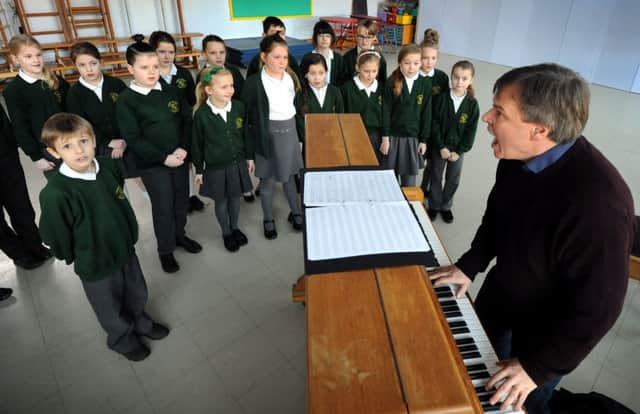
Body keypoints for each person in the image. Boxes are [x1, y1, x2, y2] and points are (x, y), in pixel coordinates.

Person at [431, 63, 635, 414]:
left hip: (544, 337)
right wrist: (470, 265)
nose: (487, 118)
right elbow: (498, 216)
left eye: (500, 112)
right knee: (470, 376)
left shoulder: (600, 204)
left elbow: (597, 309)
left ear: (540, 130)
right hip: (503, 298)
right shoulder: (515, 154)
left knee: (526, 404)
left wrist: (535, 369)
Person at [39, 113, 170, 361]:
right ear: (54, 152)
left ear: (94, 140)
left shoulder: (108, 166)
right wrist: (76, 255)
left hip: (124, 250)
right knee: (108, 305)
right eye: (67, 146)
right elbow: (56, 235)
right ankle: (122, 338)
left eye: (83, 141)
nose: (79, 151)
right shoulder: (55, 194)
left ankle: (140, 321)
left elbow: (118, 197)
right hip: (95, 262)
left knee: (136, 291)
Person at [116, 36, 202, 274]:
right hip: (154, 165)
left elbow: (186, 120)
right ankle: (165, 249)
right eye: (144, 68)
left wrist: (184, 148)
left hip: (179, 158)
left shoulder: (170, 90)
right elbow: (134, 138)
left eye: (155, 66)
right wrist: (164, 158)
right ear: (130, 69)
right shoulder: (127, 101)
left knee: (181, 201)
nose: (152, 72)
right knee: (163, 207)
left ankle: (179, 236)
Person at [242, 34, 304, 239]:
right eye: (276, 57)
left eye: (285, 57)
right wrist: (249, 151)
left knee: (289, 179)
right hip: (266, 135)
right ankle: (268, 218)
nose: (282, 62)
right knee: (267, 181)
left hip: (289, 134)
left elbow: (295, 109)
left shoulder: (290, 78)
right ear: (263, 57)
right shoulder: (253, 83)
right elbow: (248, 119)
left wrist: (300, 137)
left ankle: (296, 213)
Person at [66, 41, 147, 198]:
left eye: (93, 63)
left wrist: (124, 140)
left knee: (142, 178)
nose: (89, 69)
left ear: (100, 62)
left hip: (127, 141)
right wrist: (108, 143)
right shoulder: (74, 94)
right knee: (114, 188)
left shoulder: (115, 84)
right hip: (100, 147)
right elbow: (82, 126)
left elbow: (129, 114)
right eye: (82, 65)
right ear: (75, 66)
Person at [192, 67, 252, 252]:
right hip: (215, 168)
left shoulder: (239, 107)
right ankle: (226, 232)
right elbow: (197, 145)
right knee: (222, 201)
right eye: (224, 87)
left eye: (232, 85)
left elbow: (246, 134)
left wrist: (249, 157)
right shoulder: (201, 115)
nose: (230, 90)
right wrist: (199, 170)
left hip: (237, 163)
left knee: (235, 198)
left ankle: (235, 227)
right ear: (209, 90)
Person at [149, 31, 205, 213]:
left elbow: (191, 100)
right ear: (153, 52)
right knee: (167, 165)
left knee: (186, 162)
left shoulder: (183, 73)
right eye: (161, 51)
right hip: (162, 130)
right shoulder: (150, 76)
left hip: (183, 127)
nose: (167, 56)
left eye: (171, 52)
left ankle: (189, 196)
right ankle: (173, 198)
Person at [197, 34, 255, 202]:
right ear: (204, 54)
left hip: (234, 119)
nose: (218, 56)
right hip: (215, 122)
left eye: (222, 52)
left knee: (238, 156)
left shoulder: (234, 71)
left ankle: (244, 188)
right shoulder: (203, 75)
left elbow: (242, 96)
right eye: (213, 53)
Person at [3, 34, 69, 176]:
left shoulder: (56, 81)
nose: (36, 60)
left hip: (71, 142)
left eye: (38, 55)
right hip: (48, 150)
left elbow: (72, 110)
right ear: (15, 59)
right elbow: (20, 127)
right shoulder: (13, 91)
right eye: (28, 56)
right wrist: (36, 157)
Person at [0, 105, 51, 270]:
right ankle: (18, 253)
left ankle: (35, 246)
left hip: (5, 158)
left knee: (21, 206)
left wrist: (12, 147)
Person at [428, 60, 479, 223]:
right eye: (456, 77)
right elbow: (434, 123)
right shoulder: (441, 99)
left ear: (471, 80)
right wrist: (441, 146)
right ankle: (434, 205)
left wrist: (460, 151)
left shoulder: (472, 104)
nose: (459, 82)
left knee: (453, 179)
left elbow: (471, 130)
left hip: (458, 150)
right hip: (439, 147)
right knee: (435, 176)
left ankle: (446, 206)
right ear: (451, 77)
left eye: (464, 78)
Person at [381, 43, 432, 186]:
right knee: (390, 180)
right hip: (393, 138)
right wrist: (385, 138)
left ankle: (408, 207)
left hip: (413, 140)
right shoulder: (391, 82)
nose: (411, 67)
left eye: (416, 63)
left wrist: (423, 140)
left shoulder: (425, 84)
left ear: (420, 63)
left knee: (409, 183)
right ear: (400, 62)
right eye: (407, 63)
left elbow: (426, 113)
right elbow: (386, 110)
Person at [419, 28, 450, 196]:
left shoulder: (442, 78)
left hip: (435, 130)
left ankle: (425, 189)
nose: (429, 62)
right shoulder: (414, 75)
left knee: (432, 165)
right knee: (414, 163)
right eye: (425, 58)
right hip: (417, 129)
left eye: (433, 58)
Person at [341, 50, 384, 163]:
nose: (370, 75)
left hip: (375, 136)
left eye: (374, 71)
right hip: (353, 135)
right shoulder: (347, 88)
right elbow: (342, 113)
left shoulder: (382, 89)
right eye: (366, 71)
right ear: (357, 67)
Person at [245, 16, 302, 80]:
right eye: (273, 33)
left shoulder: (291, 60)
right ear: (264, 35)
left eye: (282, 34)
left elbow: (300, 85)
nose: (278, 37)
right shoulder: (256, 62)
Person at [341, 19, 387, 86]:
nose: (364, 41)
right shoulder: (347, 57)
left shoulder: (380, 58)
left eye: (368, 37)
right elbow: (343, 82)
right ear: (356, 36)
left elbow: (382, 82)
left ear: (374, 37)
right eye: (361, 36)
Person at [301, 21, 346, 86]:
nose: (324, 39)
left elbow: (342, 80)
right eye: (321, 36)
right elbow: (302, 79)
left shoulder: (338, 58)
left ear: (332, 38)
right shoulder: (307, 57)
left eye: (327, 36)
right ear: (315, 38)